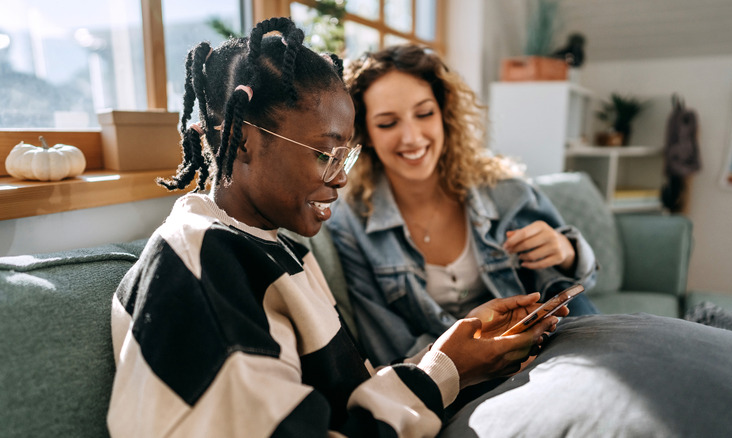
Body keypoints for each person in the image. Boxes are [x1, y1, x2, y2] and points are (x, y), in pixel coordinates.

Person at [107, 18, 563, 437]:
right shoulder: (200, 265)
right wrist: (450, 371)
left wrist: (451, 358)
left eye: (346, 156)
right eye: (325, 154)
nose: (341, 176)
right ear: (241, 140)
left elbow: (349, 402)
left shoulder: (276, 248)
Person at [326, 44, 600, 366]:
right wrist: (483, 360)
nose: (412, 137)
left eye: (424, 113)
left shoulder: (507, 192)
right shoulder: (350, 226)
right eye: (388, 123)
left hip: (552, 354)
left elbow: (575, 289)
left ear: (444, 114)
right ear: (366, 133)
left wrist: (567, 252)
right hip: (458, 379)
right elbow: (390, 347)